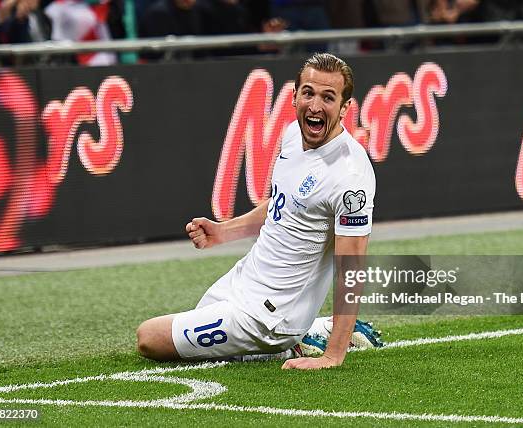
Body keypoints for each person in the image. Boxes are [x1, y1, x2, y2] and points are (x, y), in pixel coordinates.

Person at [136, 53, 379, 370]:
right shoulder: (294, 134)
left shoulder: (350, 176)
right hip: (244, 279)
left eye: (328, 97)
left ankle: (307, 338)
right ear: (294, 96)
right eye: (308, 93)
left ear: (345, 108)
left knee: (149, 337)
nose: (315, 106)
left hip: (271, 314)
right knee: (191, 336)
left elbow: (352, 266)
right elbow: (285, 204)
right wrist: (225, 231)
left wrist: (333, 356)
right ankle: (312, 332)